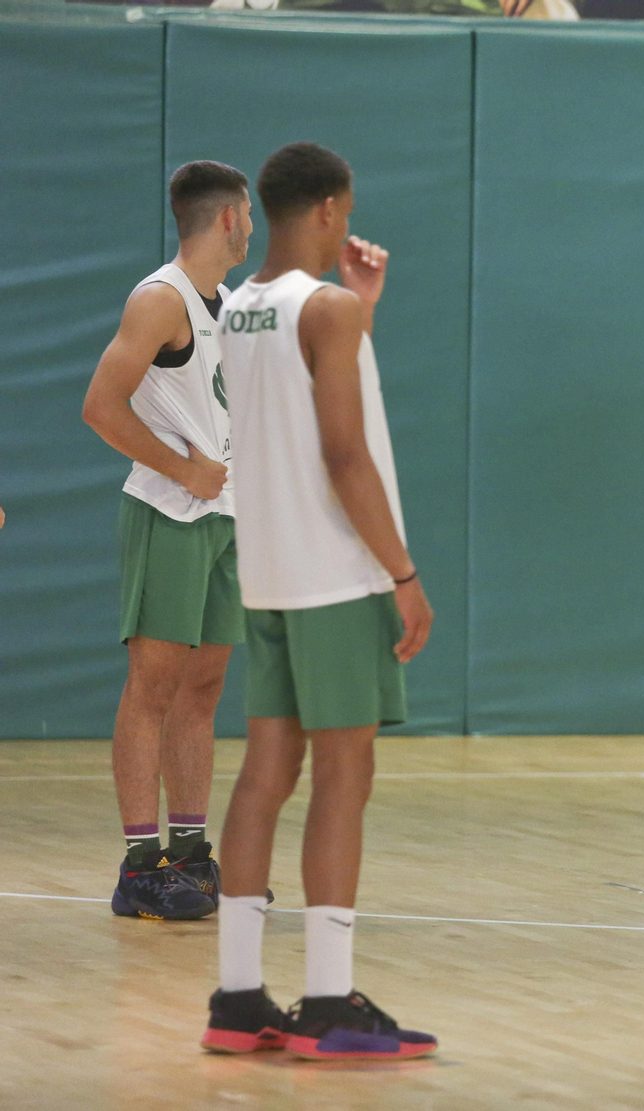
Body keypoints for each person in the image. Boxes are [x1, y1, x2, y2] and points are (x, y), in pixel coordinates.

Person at [201, 142, 436, 1059]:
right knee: (345, 775)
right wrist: (404, 574)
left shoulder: (243, 309)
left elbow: (298, 407)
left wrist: (361, 314)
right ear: (334, 208)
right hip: (337, 575)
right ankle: (331, 1000)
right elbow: (343, 455)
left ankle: (238, 994)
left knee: (265, 777)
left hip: (265, 570)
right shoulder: (325, 310)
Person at [83, 161, 253, 921]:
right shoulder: (161, 299)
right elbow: (99, 405)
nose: (252, 225)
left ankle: (189, 852)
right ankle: (138, 863)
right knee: (152, 686)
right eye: (247, 213)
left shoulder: (228, 305)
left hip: (225, 519)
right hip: (169, 511)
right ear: (226, 219)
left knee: (204, 688)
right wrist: (185, 467)